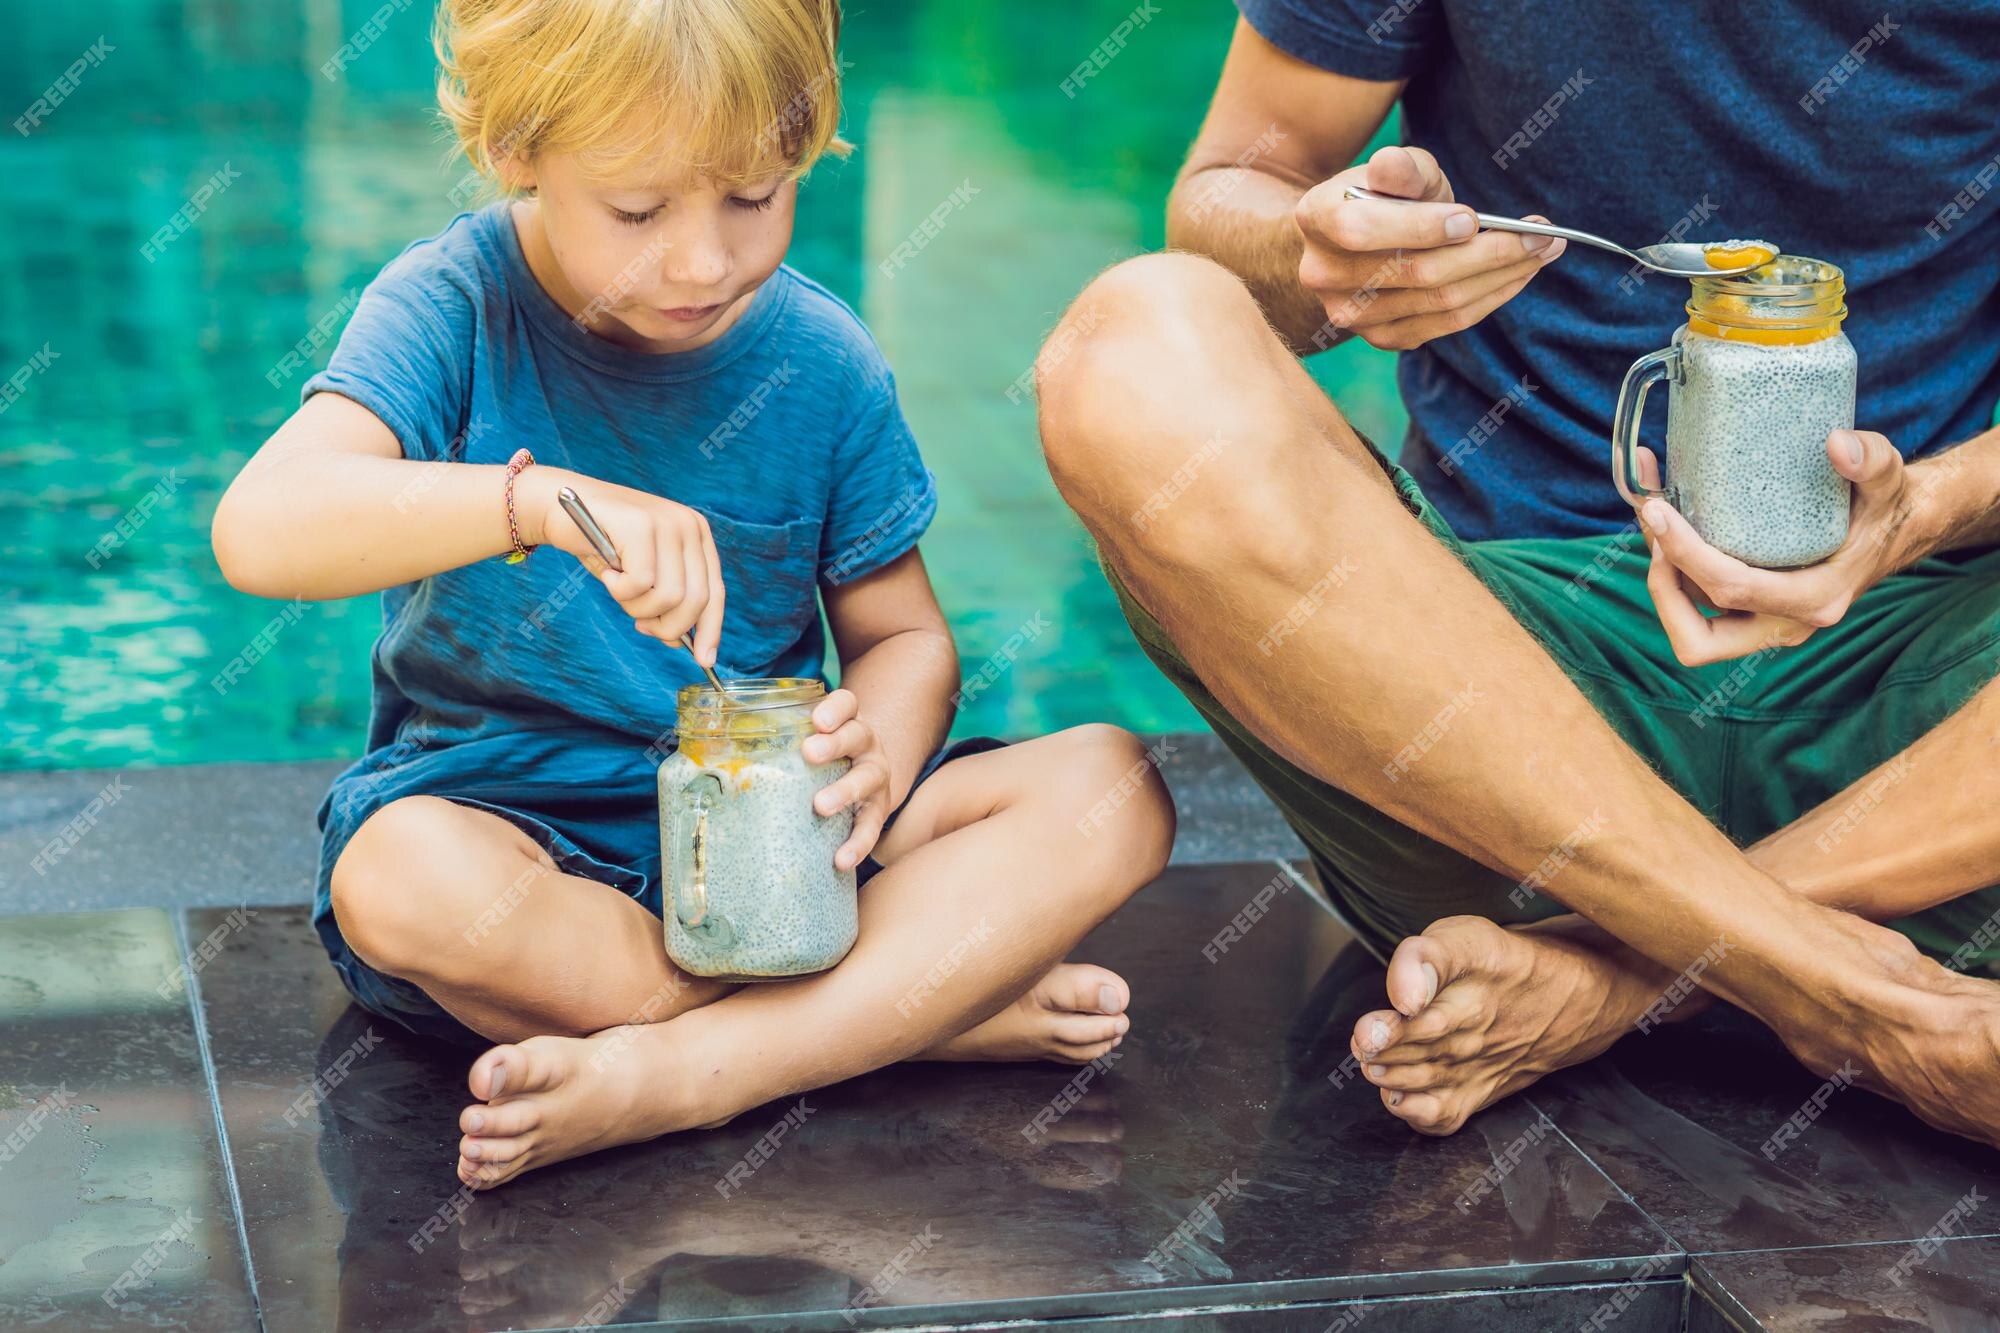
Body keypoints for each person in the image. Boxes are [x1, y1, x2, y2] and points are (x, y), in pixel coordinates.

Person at [211, 0, 1173, 1190]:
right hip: (527, 858)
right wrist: (542, 505)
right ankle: (903, 1013)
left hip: (781, 852)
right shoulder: (452, 306)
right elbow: (260, 528)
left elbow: (904, 636)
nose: (703, 261)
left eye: (754, 196)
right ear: (520, 150)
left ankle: (690, 1069)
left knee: (1112, 790)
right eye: (636, 210)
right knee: (396, 878)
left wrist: (880, 737)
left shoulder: (820, 361)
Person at [1034, 2, 2000, 1146]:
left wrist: (1922, 507)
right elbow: (1227, 190)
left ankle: (1616, 975)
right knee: (1131, 345)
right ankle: (1856, 996)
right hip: (1489, 742)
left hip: (1936, 735)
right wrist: (1316, 248)